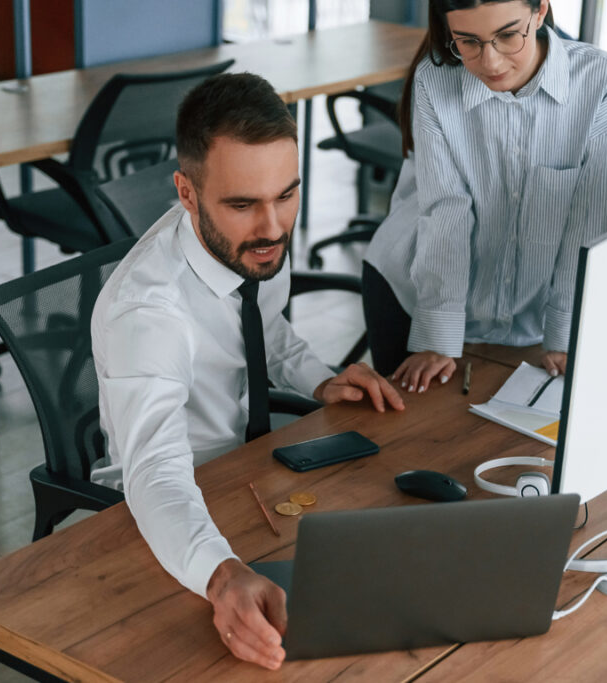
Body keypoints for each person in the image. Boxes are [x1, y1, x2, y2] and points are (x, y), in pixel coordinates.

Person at [90, 72, 404, 670]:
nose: (273, 227)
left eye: (286, 195)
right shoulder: (148, 313)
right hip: (165, 517)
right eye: (243, 204)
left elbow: (264, 322)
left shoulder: (248, 242)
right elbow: (154, 472)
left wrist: (317, 377)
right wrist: (219, 574)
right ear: (186, 193)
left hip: (248, 476)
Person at [363, 0, 607, 393]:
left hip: (533, 317)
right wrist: (439, 336)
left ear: (540, 11)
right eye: (467, 41)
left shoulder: (599, 80)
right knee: (412, 426)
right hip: (418, 292)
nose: (489, 62)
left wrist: (564, 332)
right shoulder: (435, 80)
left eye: (507, 35)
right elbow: (447, 210)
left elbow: (589, 222)